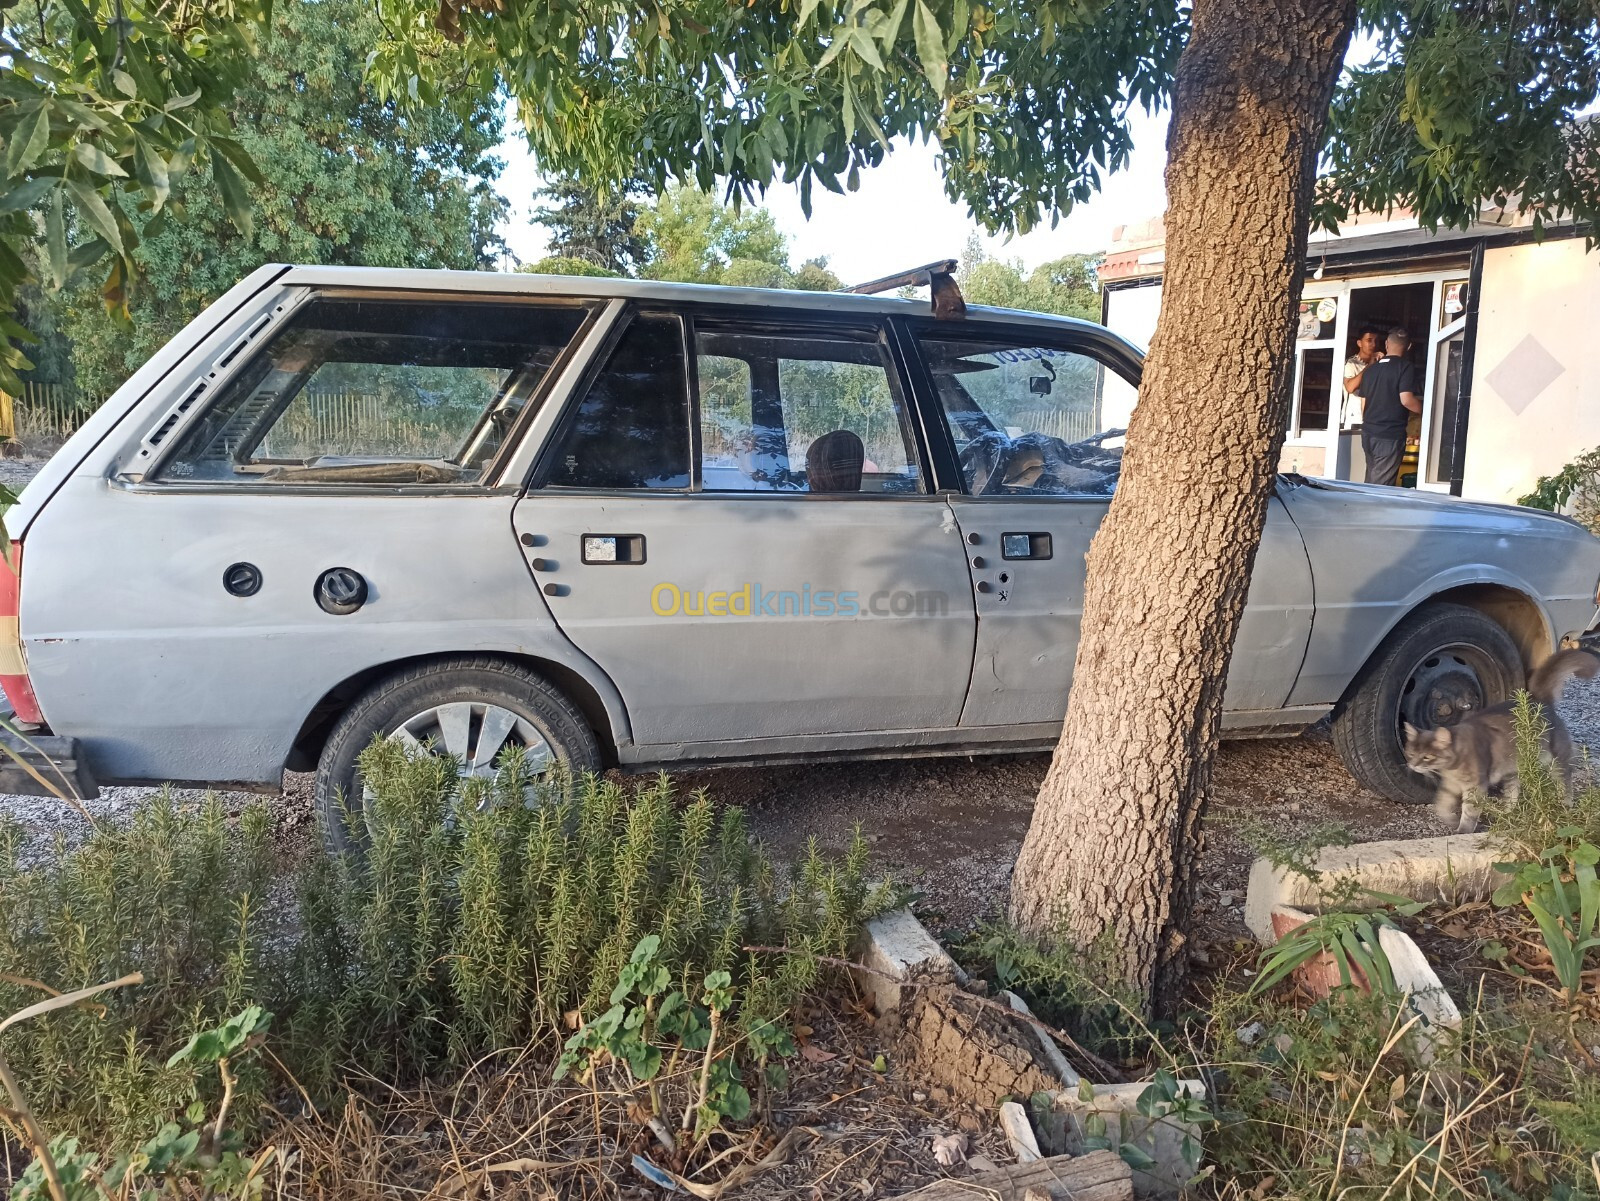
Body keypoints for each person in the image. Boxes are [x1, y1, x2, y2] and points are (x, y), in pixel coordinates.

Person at [1356, 328, 1421, 485]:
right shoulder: (1405, 367)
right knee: (1380, 487)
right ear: (1409, 346)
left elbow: (1363, 403)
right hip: (1389, 435)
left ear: (1386, 344)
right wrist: (1428, 410)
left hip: (1369, 433)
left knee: (1372, 479)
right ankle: (1369, 509)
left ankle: (1364, 507)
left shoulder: (1371, 370)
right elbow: (1406, 400)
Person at [1339, 326, 1382, 429]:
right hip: (1354, 419)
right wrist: (1370, 365)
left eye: (1376, 341)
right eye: (1369, 340)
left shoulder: (1380, 365)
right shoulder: (1351, 363)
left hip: (1374, 419)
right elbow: (1350, 387)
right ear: (1359, 343)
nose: (1374, 344)